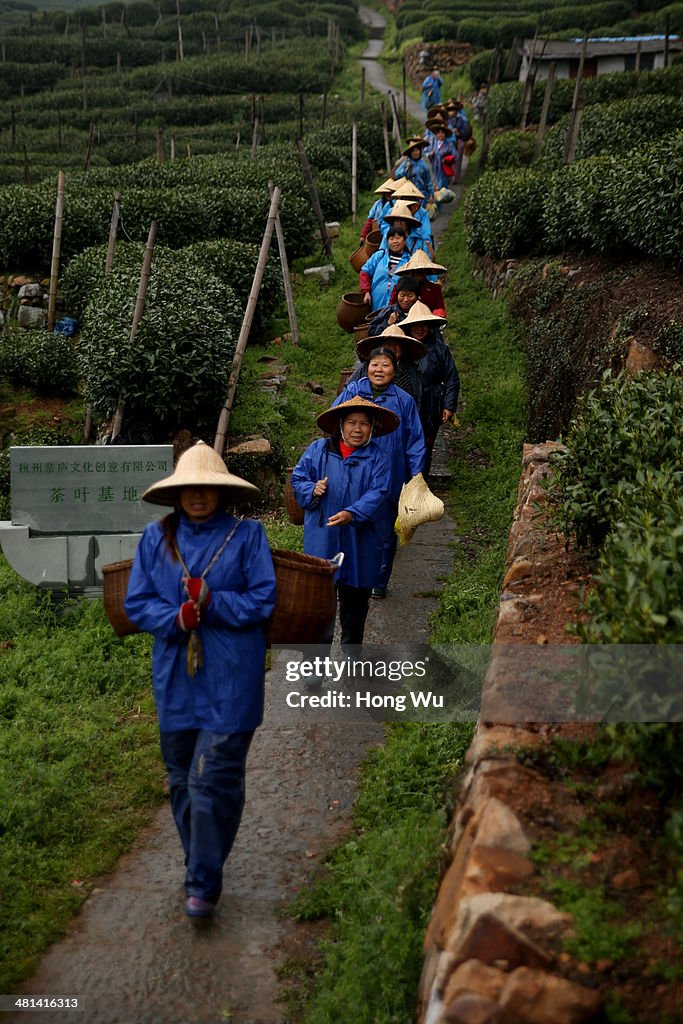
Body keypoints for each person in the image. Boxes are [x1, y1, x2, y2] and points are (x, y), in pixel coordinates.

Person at [124, 441, 276, 920]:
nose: (197, 495)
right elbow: (137, 603)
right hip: (176, 677)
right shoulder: (156, 538)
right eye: (189, 488)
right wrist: (177, 618)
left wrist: (213, 602)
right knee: (181, 779)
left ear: (221, 492)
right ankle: (202, 859)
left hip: (233, 675)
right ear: (176, 493)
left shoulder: (247, 536)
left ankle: (202, 882)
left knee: (211, 778)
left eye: (207, 488)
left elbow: (262, 601)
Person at [290, 397, 398, 653]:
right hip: (322, 538)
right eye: (352, 423)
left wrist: (353, 512)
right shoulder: (318, 450)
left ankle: (352, 652)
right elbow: (298, 478)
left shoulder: (378, 458)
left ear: (372, 427)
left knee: (356, 599)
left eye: (364, 423)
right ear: (340, 425)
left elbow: (379, 492)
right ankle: (314, 664)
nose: (357, 429)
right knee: (319, 603)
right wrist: (312, 488)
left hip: (361, 539)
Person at [334, 348, 426, 598]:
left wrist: (416, 476)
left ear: (394, 371)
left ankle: (379, 579)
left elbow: (415, 441)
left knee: (384, 531)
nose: (379, 370)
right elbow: (333, 424)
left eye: (385, 365)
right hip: (353, 471)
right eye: (375, 364)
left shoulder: (404, 400)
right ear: (367, 367)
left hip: (391, 474)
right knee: (350, 522)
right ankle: (346, 576)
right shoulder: (353, 391)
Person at [401, 301, 460, 479]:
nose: (420, 329)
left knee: (425, 447)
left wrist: (448, 406)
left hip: (431, 404)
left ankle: (421, 485)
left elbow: (452, 378)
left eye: (423, 325)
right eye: (415, 325)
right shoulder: (402, 348)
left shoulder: (440, 350)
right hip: (406, 405)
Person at [350, 324, 426, 404]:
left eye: (396, 344)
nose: (392, 347)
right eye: (389, 343)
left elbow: (417, 398)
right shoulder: (366, 367)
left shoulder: (411, 369)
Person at [359, 225, 412, 312]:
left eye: (398, 238)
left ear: (405, 240)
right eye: (391, 239)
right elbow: (365, 272)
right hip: (376, 303)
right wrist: (366, 292)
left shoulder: (410, 261)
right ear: (387, 241)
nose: (395, 241)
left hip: (399, 308)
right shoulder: (379, 256)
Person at [390, 251, 447, 317]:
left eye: (422, 270)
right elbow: (391, 307)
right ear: (410, 271)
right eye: (416, 270)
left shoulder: (434, 289)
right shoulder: (399, 288)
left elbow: (440, 308)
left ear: (426, 271)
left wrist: (436, 316)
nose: (418, 273)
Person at [392, 138, 433, 204]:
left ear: (420, 151)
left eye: (417, 150)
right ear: (410, 153)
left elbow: (428, 181)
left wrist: (431, 194)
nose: (415, 153)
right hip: (408, 194)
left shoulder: (424, 165)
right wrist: (406, 169)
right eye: (413, 151)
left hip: (421, 195)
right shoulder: (405, 163)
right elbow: (397, 175)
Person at [358, 176, 397, 243]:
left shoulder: (397, 204)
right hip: (376, 233)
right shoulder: (378, 204)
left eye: (391, 192)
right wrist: (363, 235)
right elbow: (370, 220)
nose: (389, 194)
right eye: (387, 192)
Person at [427, 123, 458, 191]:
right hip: (433, 168)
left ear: (445, 134)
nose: (440, 134)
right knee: (433, 186)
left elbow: (455, 156)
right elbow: (425, 153)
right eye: (439, 133)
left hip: (443, 169)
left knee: (442, 188)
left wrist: (447, 159)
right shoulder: (432, 143)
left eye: (442, 133)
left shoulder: (449, 144)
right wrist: (430, 154)